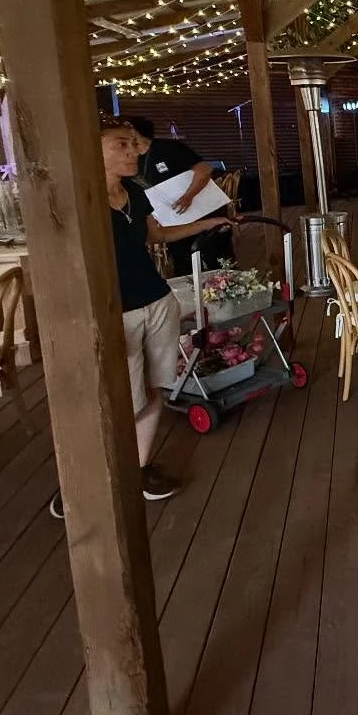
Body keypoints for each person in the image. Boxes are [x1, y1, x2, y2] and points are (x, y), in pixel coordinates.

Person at [50, 118, 234, 519]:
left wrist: (209, 222)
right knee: (115, 402)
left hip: (156, 301)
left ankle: (138, 468)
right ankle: (83, 482)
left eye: (132, 144)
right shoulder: (80, 202)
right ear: (91, 150)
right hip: (113, 313)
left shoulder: (134, 192)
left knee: (154, 390)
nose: (133, 151)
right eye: (121, 145)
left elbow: (158, 236)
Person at [126, 116, 230, 275]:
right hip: (173, 222)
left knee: (219, 262)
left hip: (204, 213)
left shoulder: (168, 147)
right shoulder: (132, 161)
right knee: (184, 266)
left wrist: (188, 196)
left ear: (133, 131)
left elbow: (204, 170)